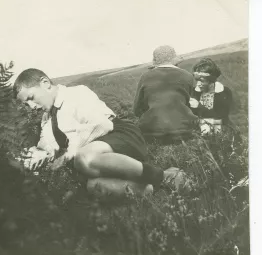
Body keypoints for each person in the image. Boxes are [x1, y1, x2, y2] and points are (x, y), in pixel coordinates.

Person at [13, 68, 190, 200]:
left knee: (83, 158)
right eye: (26, 104)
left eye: (31, 98)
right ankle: (154, 190)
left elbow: (102, 125)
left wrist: (69, 153)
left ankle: (163, 176)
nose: (31, 107)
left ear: (45, 84)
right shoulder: (46, 119)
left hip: (119, 134)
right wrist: (33, 157)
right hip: (97, 156)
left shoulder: (75, 94)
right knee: (95, 187)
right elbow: (46, 147)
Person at [133, 45, 197, 144]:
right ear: (175, 61)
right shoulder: (187, 76)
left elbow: (137, 110)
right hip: (184, 131)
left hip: (151, 132)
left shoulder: (145, 77)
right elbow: (195, 106)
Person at [189, 58, 233, 134]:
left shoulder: (224, 92)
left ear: (211, 79)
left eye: (202, 80)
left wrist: (199, 107)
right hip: (199, 129)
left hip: (219, 129)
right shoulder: (194, 92)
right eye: (197, 80)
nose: (198, 84)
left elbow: (222, 117)